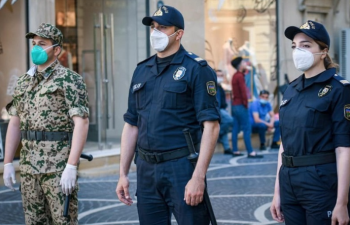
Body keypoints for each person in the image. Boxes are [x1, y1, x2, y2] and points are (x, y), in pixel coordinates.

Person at [115, 5, 220, 225]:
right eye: (153, 27)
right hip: (146, 169)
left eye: (162, 27)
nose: (155, 32)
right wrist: (123, 173)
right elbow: (132, 124)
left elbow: (211, 126)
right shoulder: (141, 70)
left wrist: (198, 177)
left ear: (178, 33)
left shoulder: (196, 69)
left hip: (181, 167)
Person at [2, 23, 89, 224]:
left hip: (58, 168)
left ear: (56, 49)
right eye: (34, 44)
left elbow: (81, 124)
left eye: (42, 44)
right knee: (34, 221)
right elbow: (15, 123)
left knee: (63, 221)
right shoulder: (24, 81)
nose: (36, 48)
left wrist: (71, 166)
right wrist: (8, 163)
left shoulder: (69, 79)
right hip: (29, 167)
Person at [270, 20, 350, 225]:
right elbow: (284, 144)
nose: (298, 51)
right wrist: (277, 192)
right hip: (289, 181)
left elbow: (344, 149)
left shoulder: (339, 89)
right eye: (295, 46)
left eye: (306, 45)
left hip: (321, 181)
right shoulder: (291, 89)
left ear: (323, 51)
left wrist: (342, 202)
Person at [231, 56, 262, 158]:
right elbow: (243, 92)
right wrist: (246, 104)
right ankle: (250, 151)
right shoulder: (240, 76)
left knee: (235, 128)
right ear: (240, 65)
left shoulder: (235, 75)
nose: (245, 64)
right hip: (241, 105)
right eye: (243, 62)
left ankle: (235, 150)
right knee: (246, 128)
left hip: (235, 105)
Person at [216, 69, 233, 154]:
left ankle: (226, 148)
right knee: (229, 120)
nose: (220, 77)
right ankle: (216, 134)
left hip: (221, 109)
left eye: (221, 75)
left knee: (225, 129)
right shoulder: (213, 86)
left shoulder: (220, 87)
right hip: (217, 109)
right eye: (218, 75)